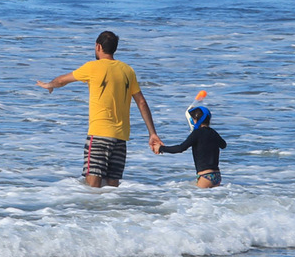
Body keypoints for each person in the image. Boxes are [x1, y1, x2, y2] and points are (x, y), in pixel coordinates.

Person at [37, 31, 161, 187]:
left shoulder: (92, 67)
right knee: (112, 187)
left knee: (92, 186)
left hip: (99, 134)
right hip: (121, 138)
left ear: (98, 46)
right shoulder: (128, 70)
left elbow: (62, 80)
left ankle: (91, 213)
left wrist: (49, 85)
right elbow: (141, 102)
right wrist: (152, 133)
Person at [151, 96, 226, 188]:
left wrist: (161, 148)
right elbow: (223, 145)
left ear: (196, 120)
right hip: (217, 176)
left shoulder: (196, 134)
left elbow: (180, 148)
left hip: (205, 176)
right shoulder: (213, 133)